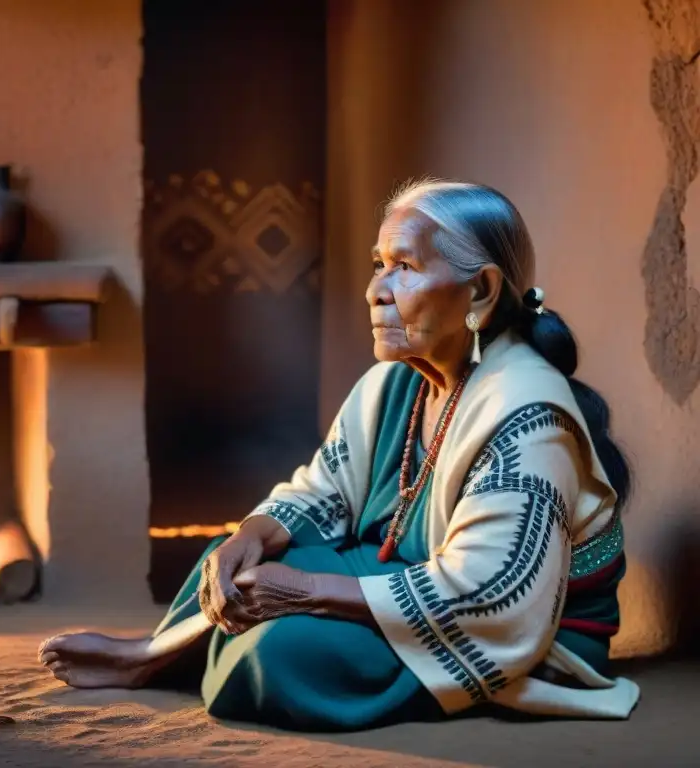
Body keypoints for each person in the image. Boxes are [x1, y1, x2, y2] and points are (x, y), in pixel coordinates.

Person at [39, 179, 641, 731]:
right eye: (379, 265)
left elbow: (490, 596)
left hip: (519, 631)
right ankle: (158, 656)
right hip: (400, 571)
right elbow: (322, 490)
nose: (375, 290)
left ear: (479, 290)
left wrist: (304, 591)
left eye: (403, 266)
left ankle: (173, 660)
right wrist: (253, 533)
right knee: (225, 565)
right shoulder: (396, 383)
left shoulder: (527, 412)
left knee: (283, 651)